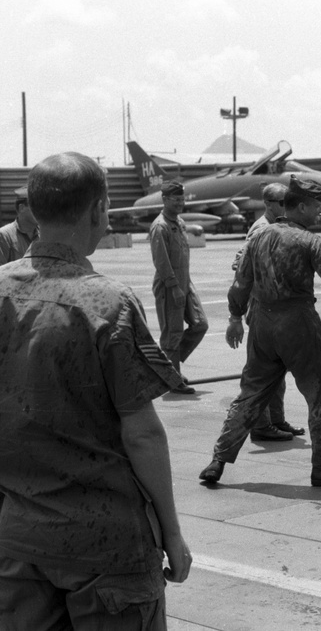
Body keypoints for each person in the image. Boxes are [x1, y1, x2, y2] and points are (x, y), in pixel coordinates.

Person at [0, 152, 191, 628]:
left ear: (35, 210)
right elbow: (143, 433)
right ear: (98, 210)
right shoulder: (109, 301)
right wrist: (171, 533)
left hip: (18, 540)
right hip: (106, 547)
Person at [199, 176, 321, 487]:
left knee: (250, 394)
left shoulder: (258, 236)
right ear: (301, 206)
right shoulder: (309, 241)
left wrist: (235, 317)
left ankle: (218, 460)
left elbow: (240, 283)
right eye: (316, 206)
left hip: (262, 323)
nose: (319, 212)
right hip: (297, 325)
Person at [231, 182, 304, 442]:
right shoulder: (261, 229)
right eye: (283, 202)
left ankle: (276, 420)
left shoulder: (274, 227)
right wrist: (236, 316)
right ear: (269, 204)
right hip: (263, 308)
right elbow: (240, 265)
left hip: (274, 309)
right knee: (263, 371)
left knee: (277, 369)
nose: (288, 207)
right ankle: (261, 426)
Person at [149, 179, 208, 394]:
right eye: (176, 199)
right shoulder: (160, 227)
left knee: (200, 324)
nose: (180, 203)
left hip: (185, 282)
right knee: (172, 333)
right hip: (168, 284)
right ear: (164, 200)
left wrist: (184, 286)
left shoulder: (179, 222)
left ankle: (169, 370)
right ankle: (173, 379)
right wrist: (174, 287)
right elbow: (161, 262)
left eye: (182, 199)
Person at [0, 187, 38, 265]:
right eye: (36, 207)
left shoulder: (44, 235)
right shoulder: (5, 235)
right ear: (22, 208)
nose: (41, 211)